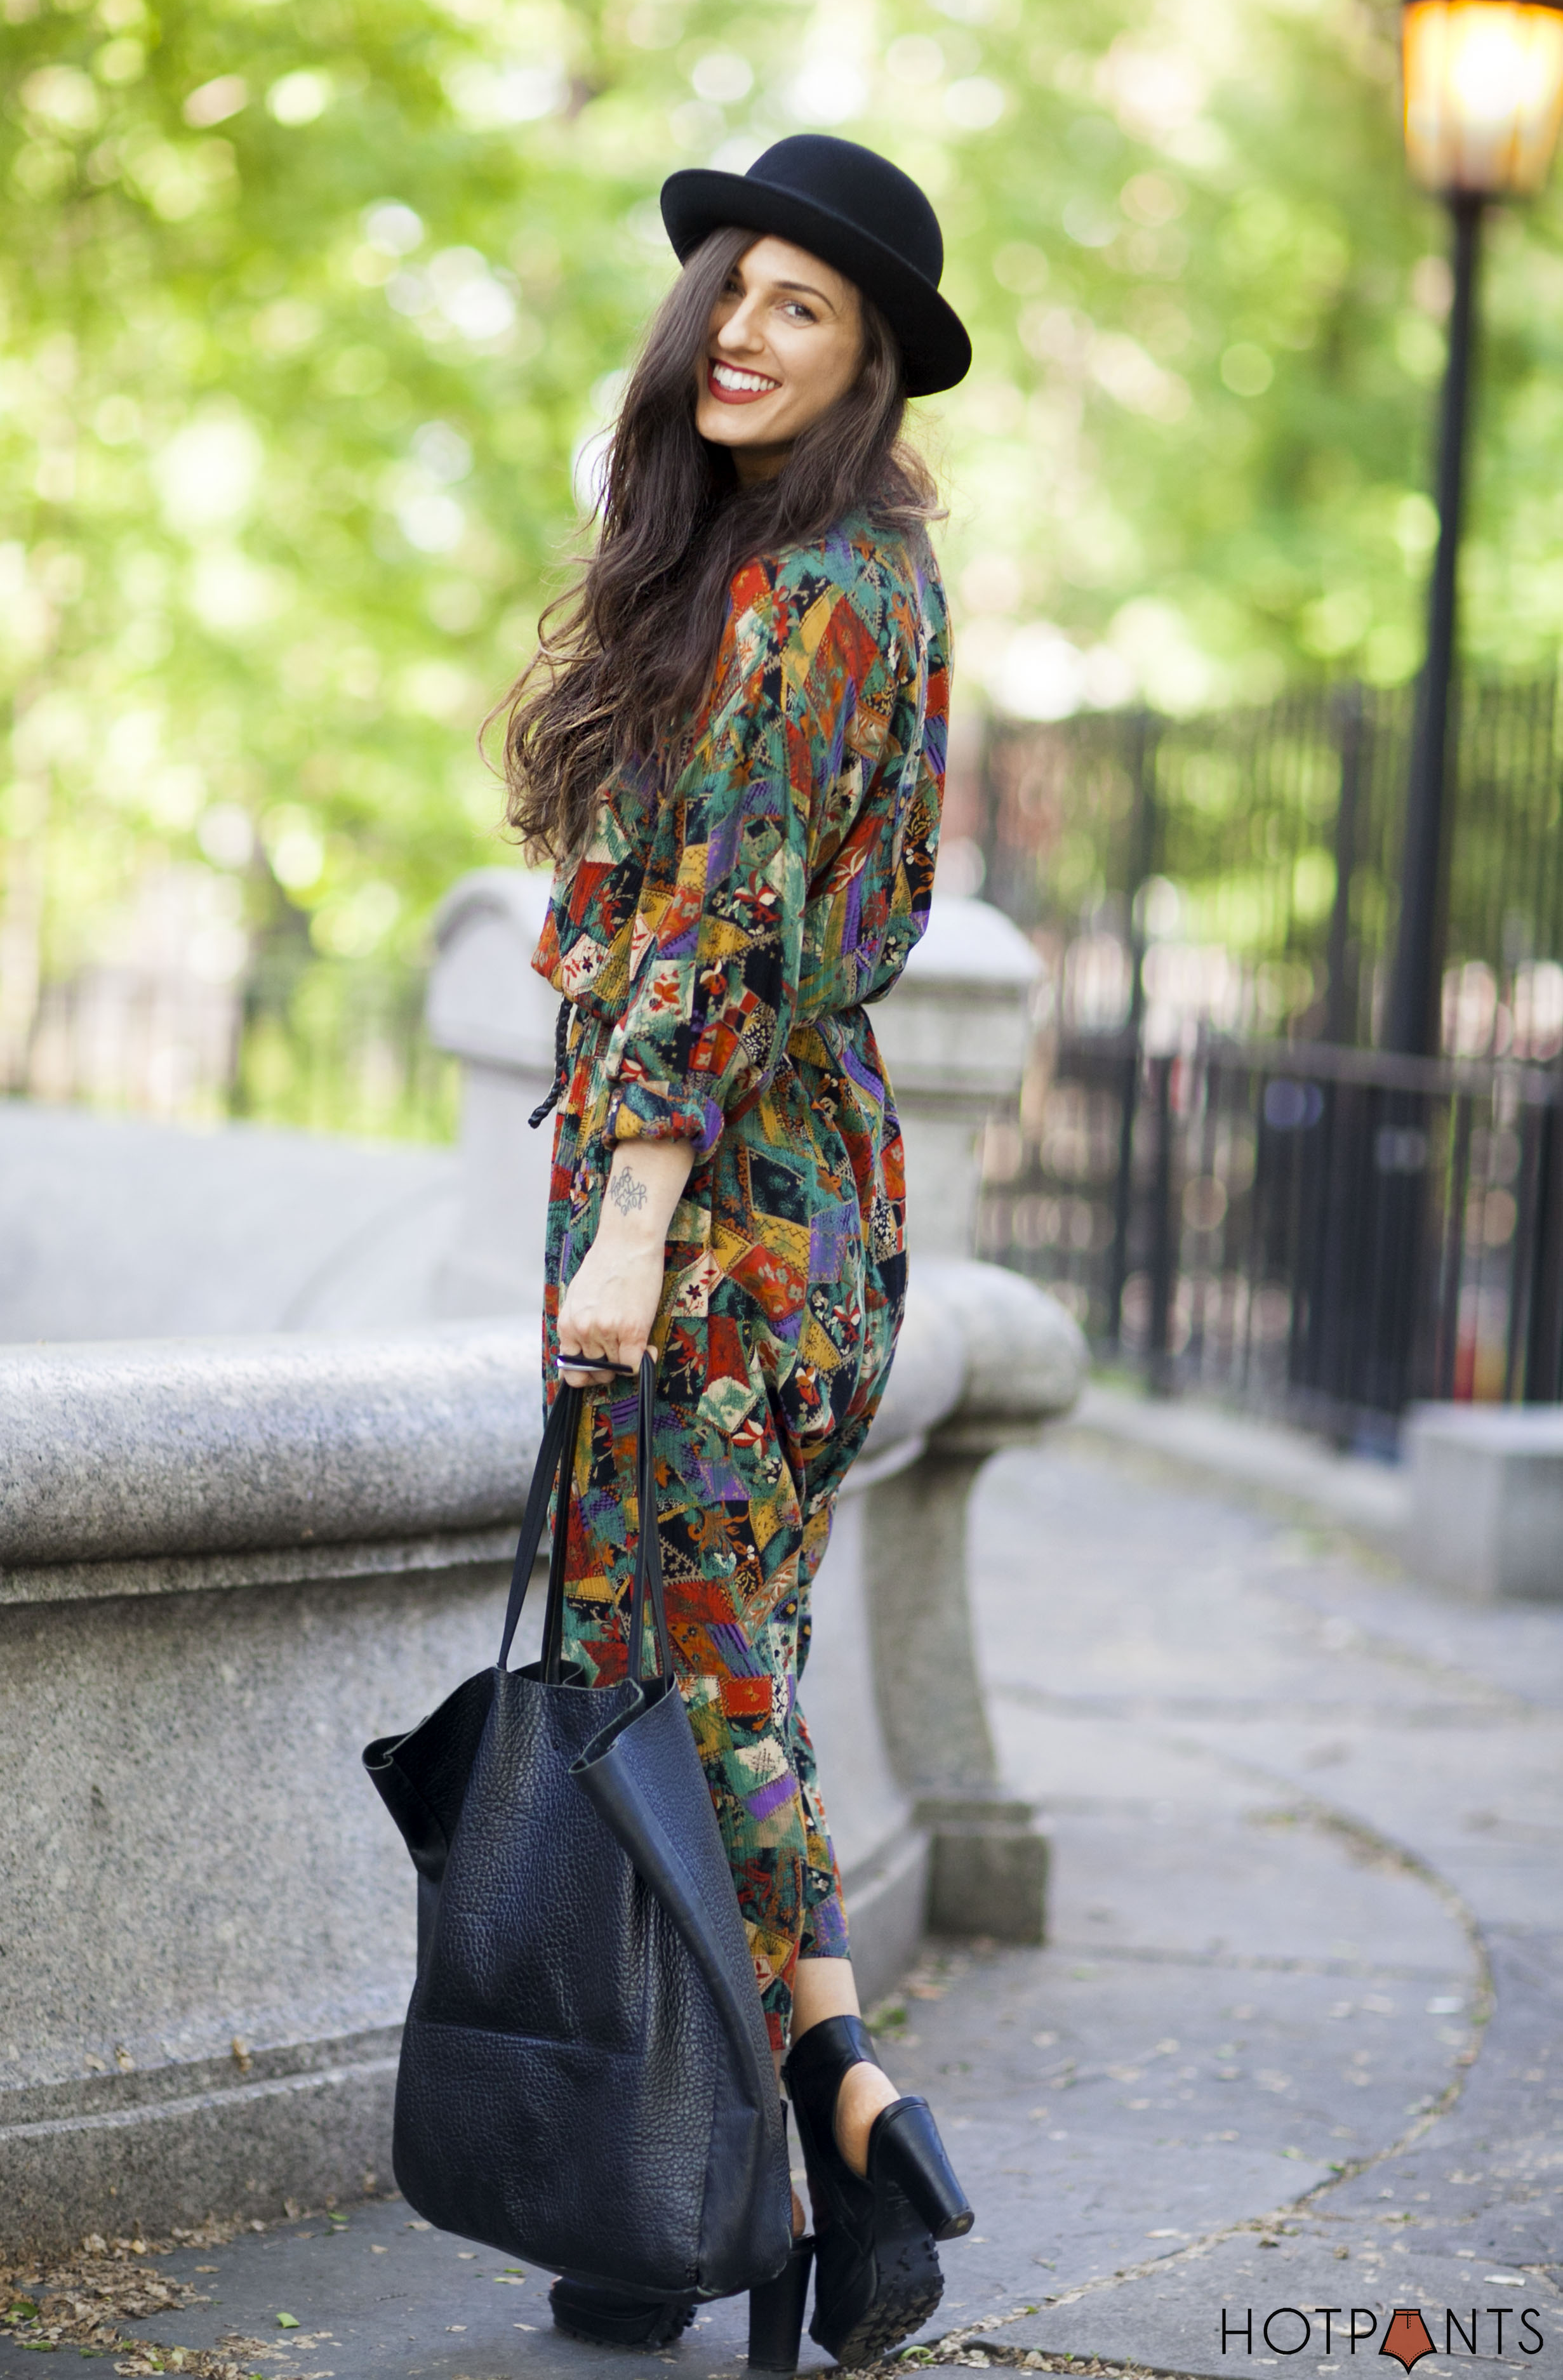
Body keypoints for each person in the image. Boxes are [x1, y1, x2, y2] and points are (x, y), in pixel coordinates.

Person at [498, 133, 974, 2370]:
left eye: (806, 310)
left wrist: (633, 1216)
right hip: (790, 1197)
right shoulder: (840, 582)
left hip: (728, 1217)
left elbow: (743, 930)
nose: (748, 333)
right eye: (734, 292)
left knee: (690, 1674)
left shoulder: (814, 601)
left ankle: (834, 2114)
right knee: (698, 1665)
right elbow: (709, 899)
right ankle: (728, 2194)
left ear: (870, 365)